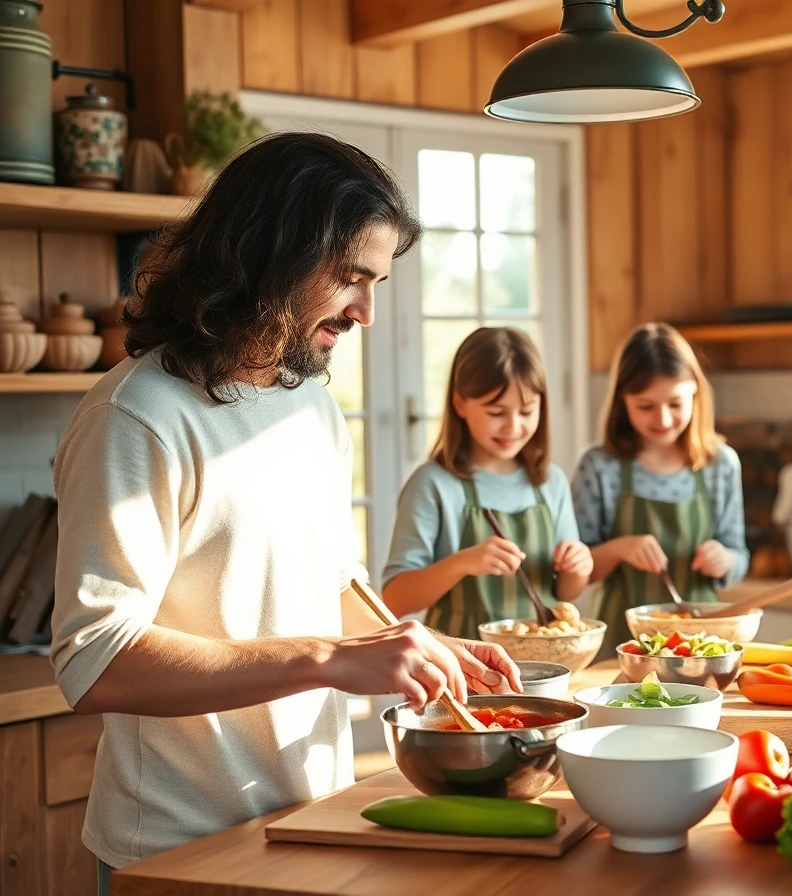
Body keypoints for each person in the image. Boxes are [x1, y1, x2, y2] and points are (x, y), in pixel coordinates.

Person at [48, 133, 521, 892]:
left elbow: (327, 583)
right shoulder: (136, 416)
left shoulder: (308, 406)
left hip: (312, 815)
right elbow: (95, 660)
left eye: (378, 283)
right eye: (351, 278)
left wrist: (415, 645)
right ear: (272, 253)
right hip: (176, 849)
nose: (367, 311)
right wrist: (332, 660)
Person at [380, 327, 593, 638]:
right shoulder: (432, 485)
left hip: (543, 664)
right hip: (459, 668)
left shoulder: (551, 482)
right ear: (460, 403)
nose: (513, 426)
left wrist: (579, 567)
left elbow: (564, 591)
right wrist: (462, 563)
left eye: (527, 411)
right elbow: (394, 599)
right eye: (496, 412)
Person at [571, 322, 750, 652]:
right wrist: (620, 548)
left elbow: (739, 554)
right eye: (645, 406)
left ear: (696, 393)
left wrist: (725, 559)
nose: (663, 419)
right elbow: (576, 572)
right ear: (622, 401)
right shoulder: (598, 466)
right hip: (620, 643)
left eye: (675, 404)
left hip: (701, 644)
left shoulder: (720, 464)